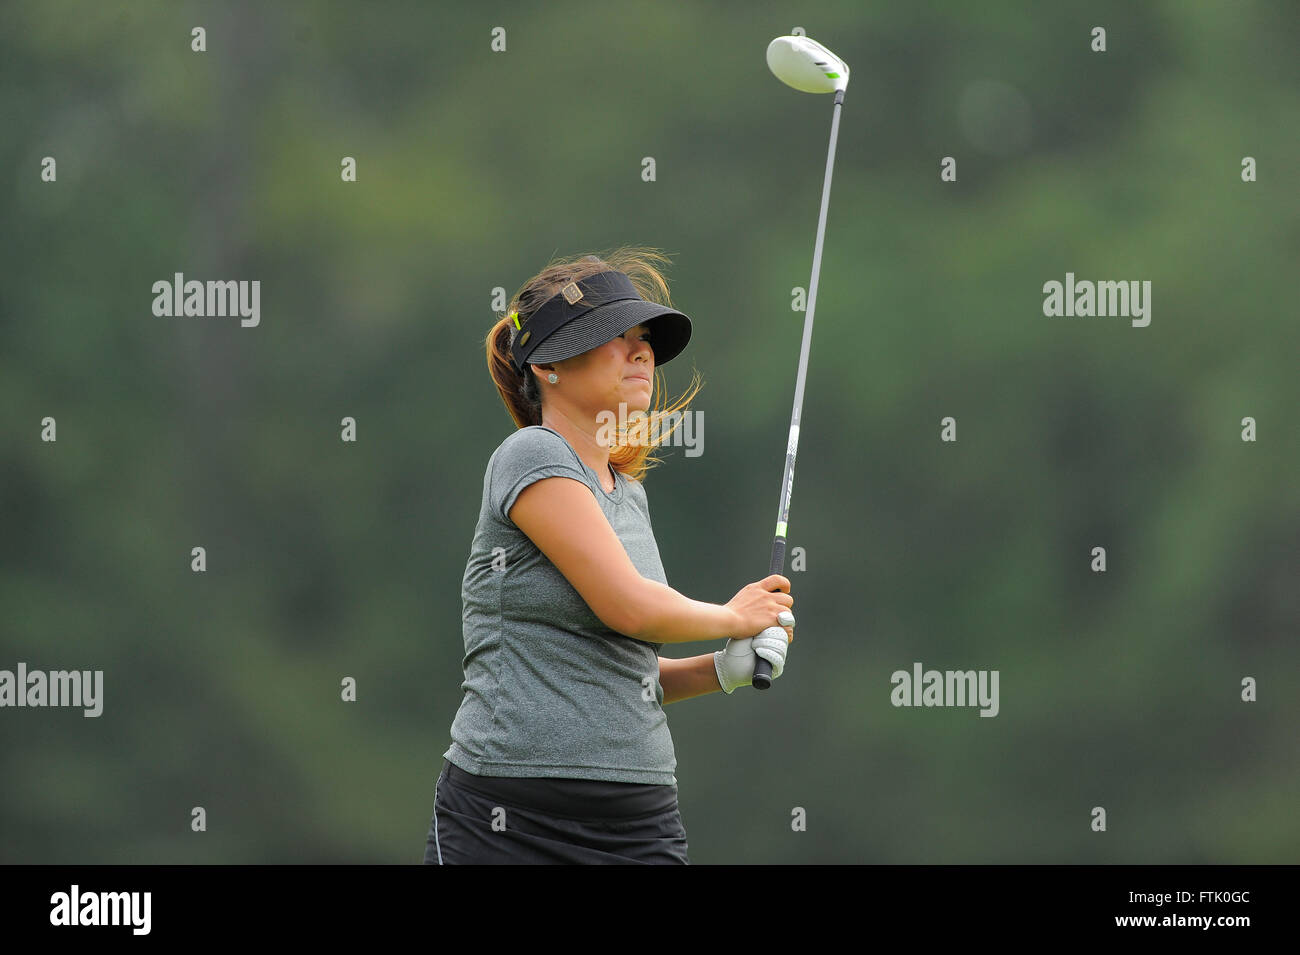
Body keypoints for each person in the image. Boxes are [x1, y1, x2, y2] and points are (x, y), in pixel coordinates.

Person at [422, 247, 796, 865]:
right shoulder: (531, 456)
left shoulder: (628, 497)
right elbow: (628, 607)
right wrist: (737, 617)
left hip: (637, 822)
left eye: (643, 337)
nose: (641, 351)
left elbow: (624, 672)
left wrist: (722, 669)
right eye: (613, 336)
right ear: (547, 366)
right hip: (508, 819)